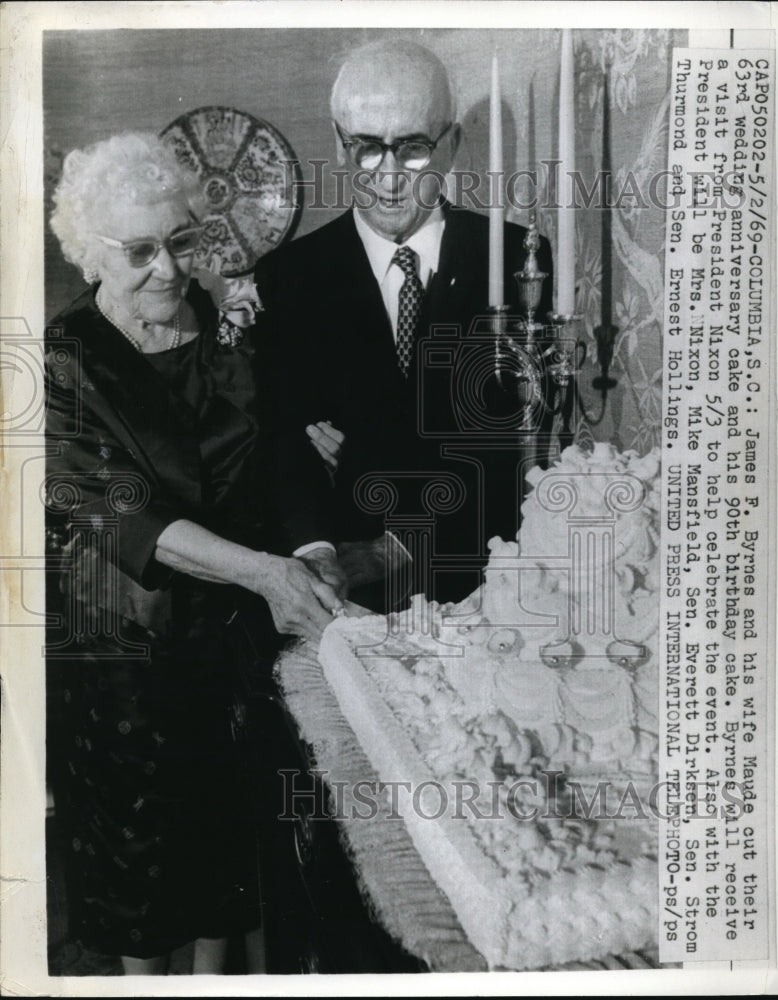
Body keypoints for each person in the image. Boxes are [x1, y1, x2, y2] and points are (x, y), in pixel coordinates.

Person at [45, 132, 342, 975]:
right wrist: (263, 570)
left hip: (234, 641)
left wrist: (311, 550)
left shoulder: (227, 327)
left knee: (231, 848)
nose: (170, 270)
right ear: (88, 253)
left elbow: (280, 455)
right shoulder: (61, 364)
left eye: (180, 241)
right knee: (142, 862)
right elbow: (127, 517)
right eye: (139, 251)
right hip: (125, 651)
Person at [255, 39, 554, 607]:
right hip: (337, 587)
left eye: (413, 148)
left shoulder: (517, 260)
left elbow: (504, 444)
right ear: (338, 145)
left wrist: (394, 543)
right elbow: (283, 441)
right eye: (367, 148)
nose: (388, 176)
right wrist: (318, 551)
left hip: (482, 582)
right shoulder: (289, 275)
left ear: (452, 145)